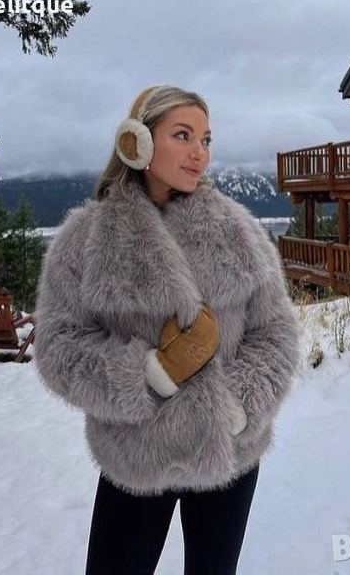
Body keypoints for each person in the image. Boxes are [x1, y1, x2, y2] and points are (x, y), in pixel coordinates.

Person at [34, 85, 300, 575]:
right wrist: (148, 375)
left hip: (228, 455)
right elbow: (58, 347)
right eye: (183, 135)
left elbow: (276, 333)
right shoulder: (85, 239)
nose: (200, 152)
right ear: (137, 141)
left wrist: (241, 407)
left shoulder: (239, 230)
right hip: (136, 459)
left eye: (206, 139)